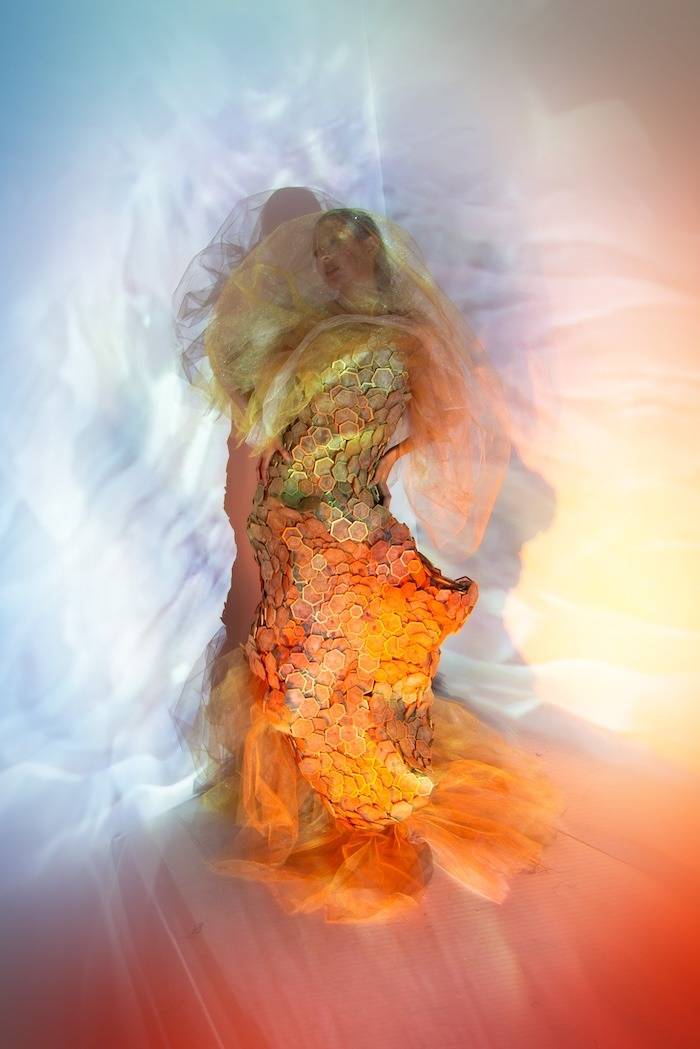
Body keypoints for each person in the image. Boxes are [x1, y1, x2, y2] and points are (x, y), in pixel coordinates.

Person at [172, 195, 562, 923]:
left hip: (337, 529)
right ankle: (323, 795)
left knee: (330, 665)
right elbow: (269, 421)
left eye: (339, 248)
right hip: (289, 528)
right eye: (319, 252)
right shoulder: (314, 336)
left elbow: (371, 429)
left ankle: (363, 800)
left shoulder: (393, 340)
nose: (327, 262)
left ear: (370, 253)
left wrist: (346, 493)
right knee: (302, 662)